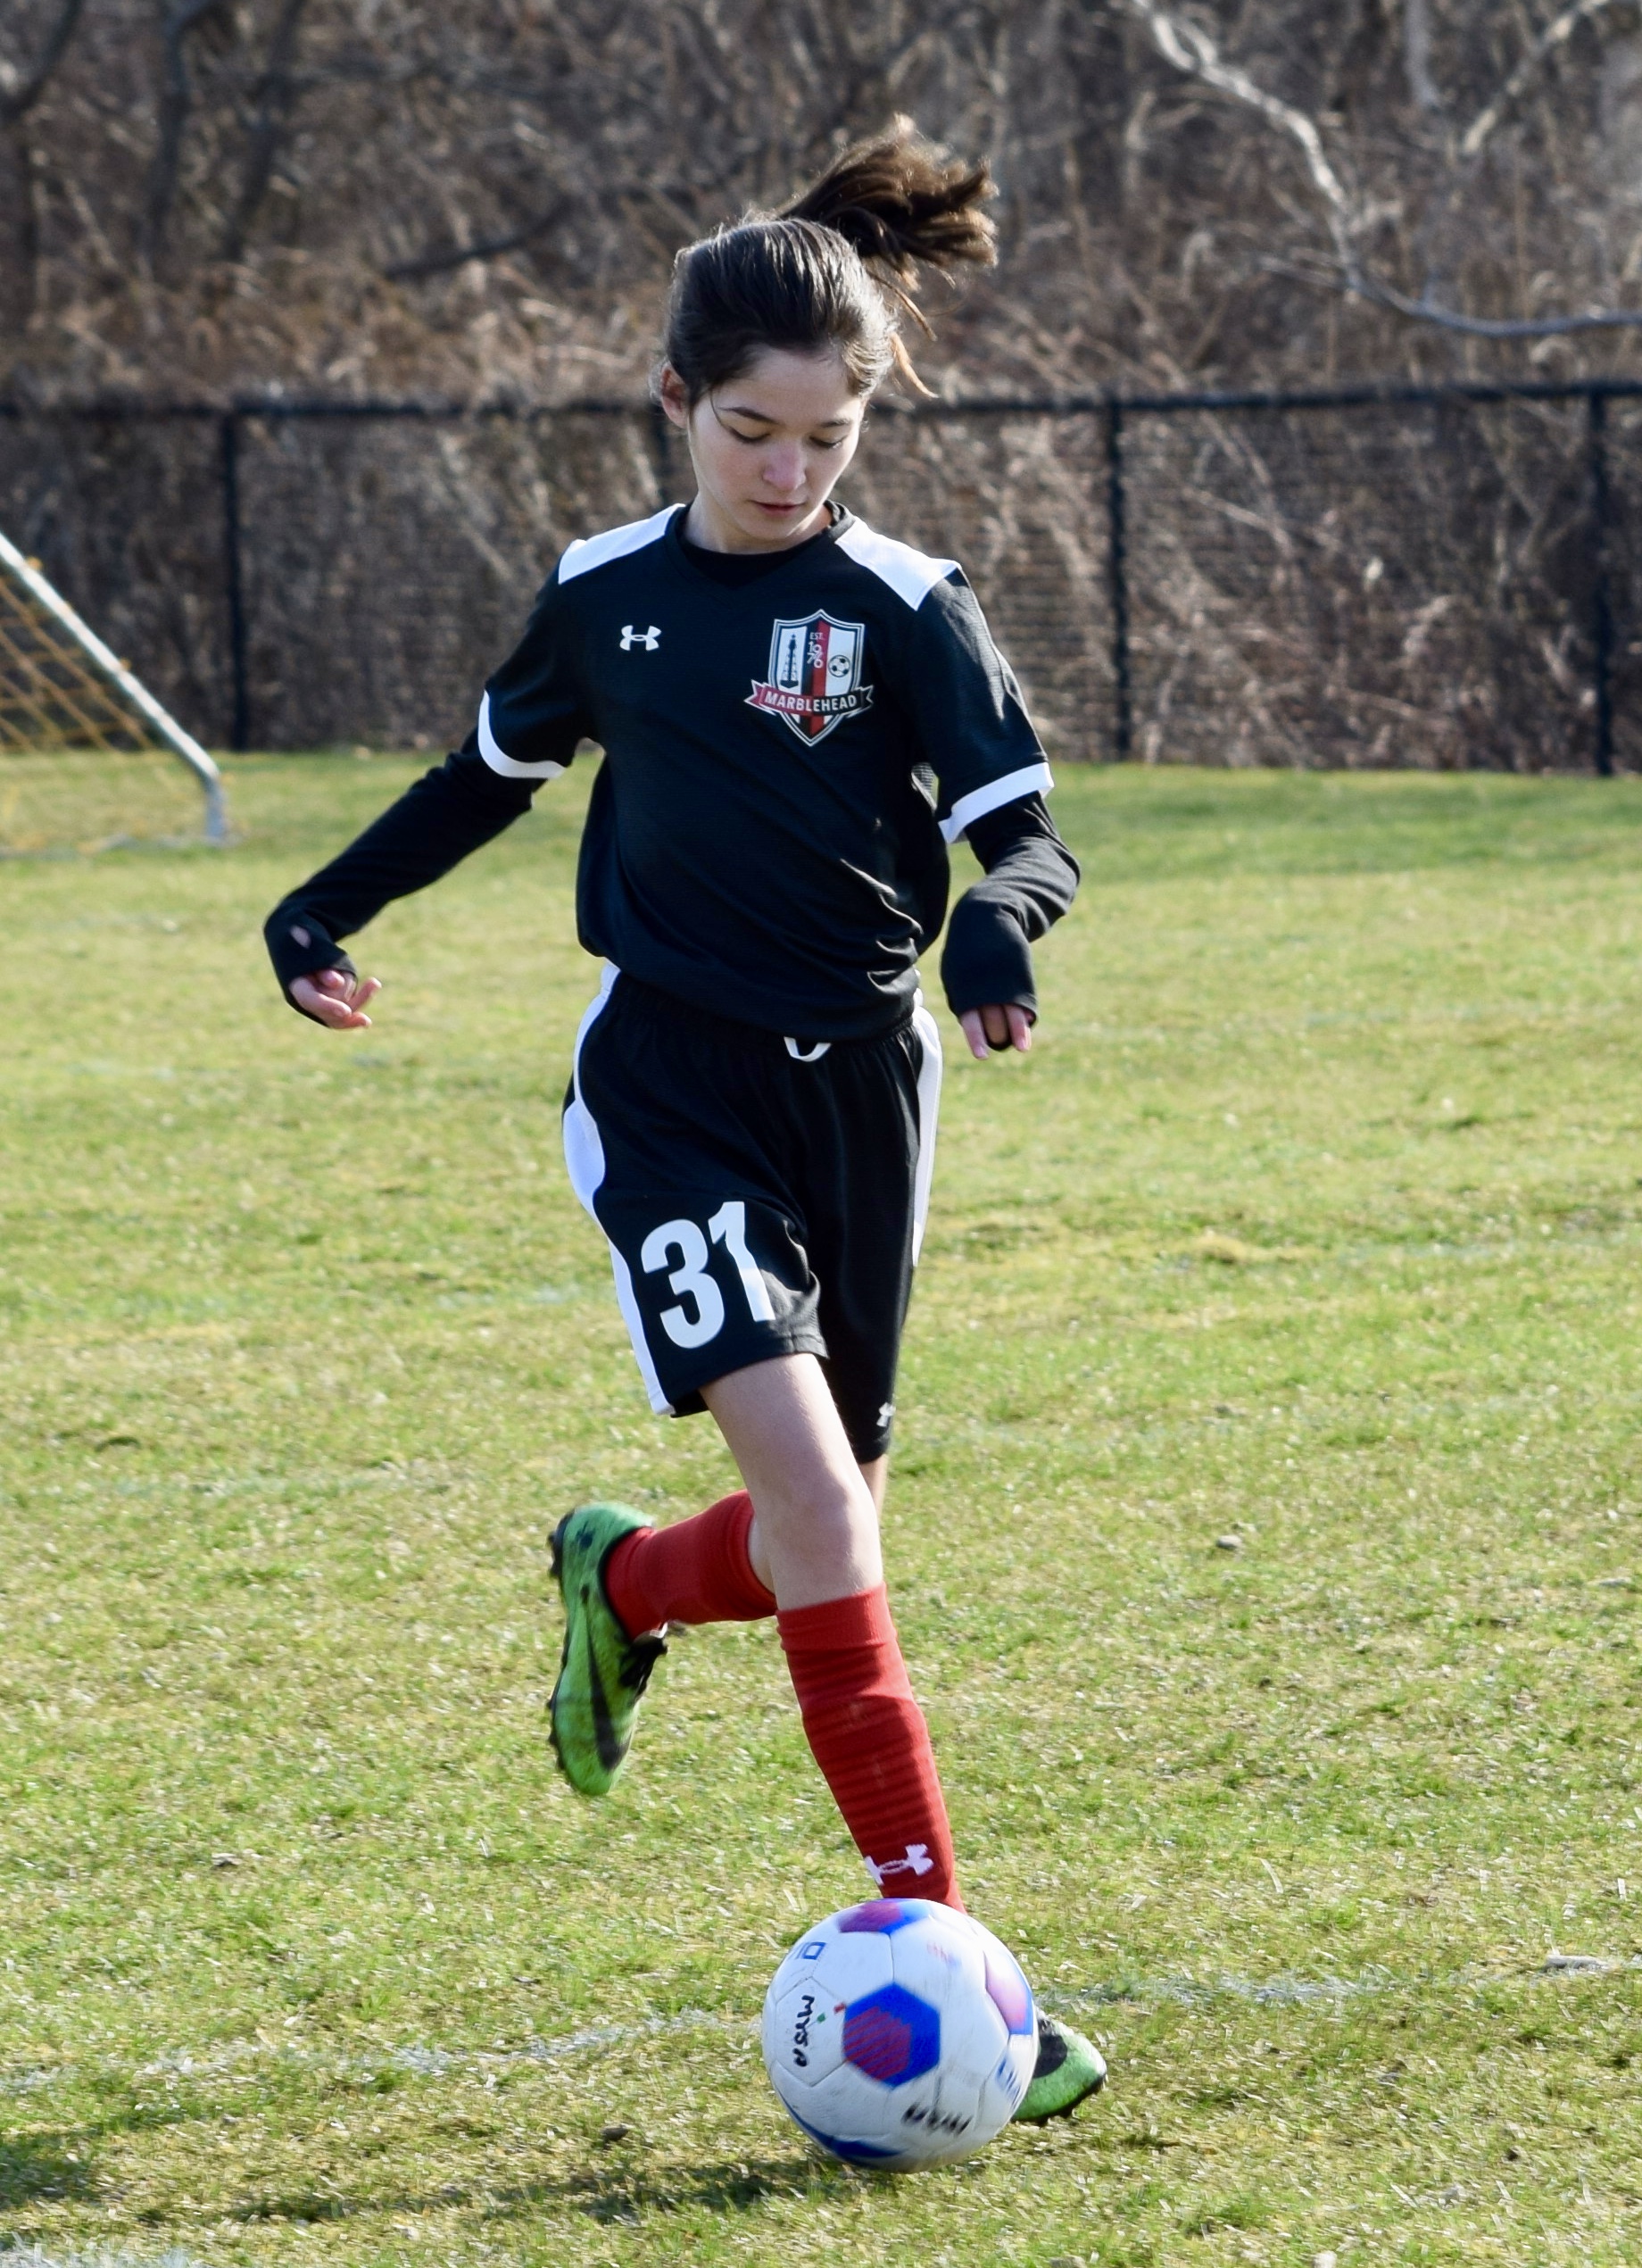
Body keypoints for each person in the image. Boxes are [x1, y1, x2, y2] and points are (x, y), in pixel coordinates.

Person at [261, 121, 1102, 2123]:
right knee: (820, 1505)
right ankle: (954, 1955)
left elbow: (1030, 836)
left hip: (866, 1089)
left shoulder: (907, 607)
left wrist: (999, 925)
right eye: (750, 431)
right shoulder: (602, 597)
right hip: (668, 1084)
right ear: (673, 402)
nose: (790, 471)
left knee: (832, 1527)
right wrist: (324, 903)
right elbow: (487, 774)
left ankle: (626, 1583)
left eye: (827, 436)